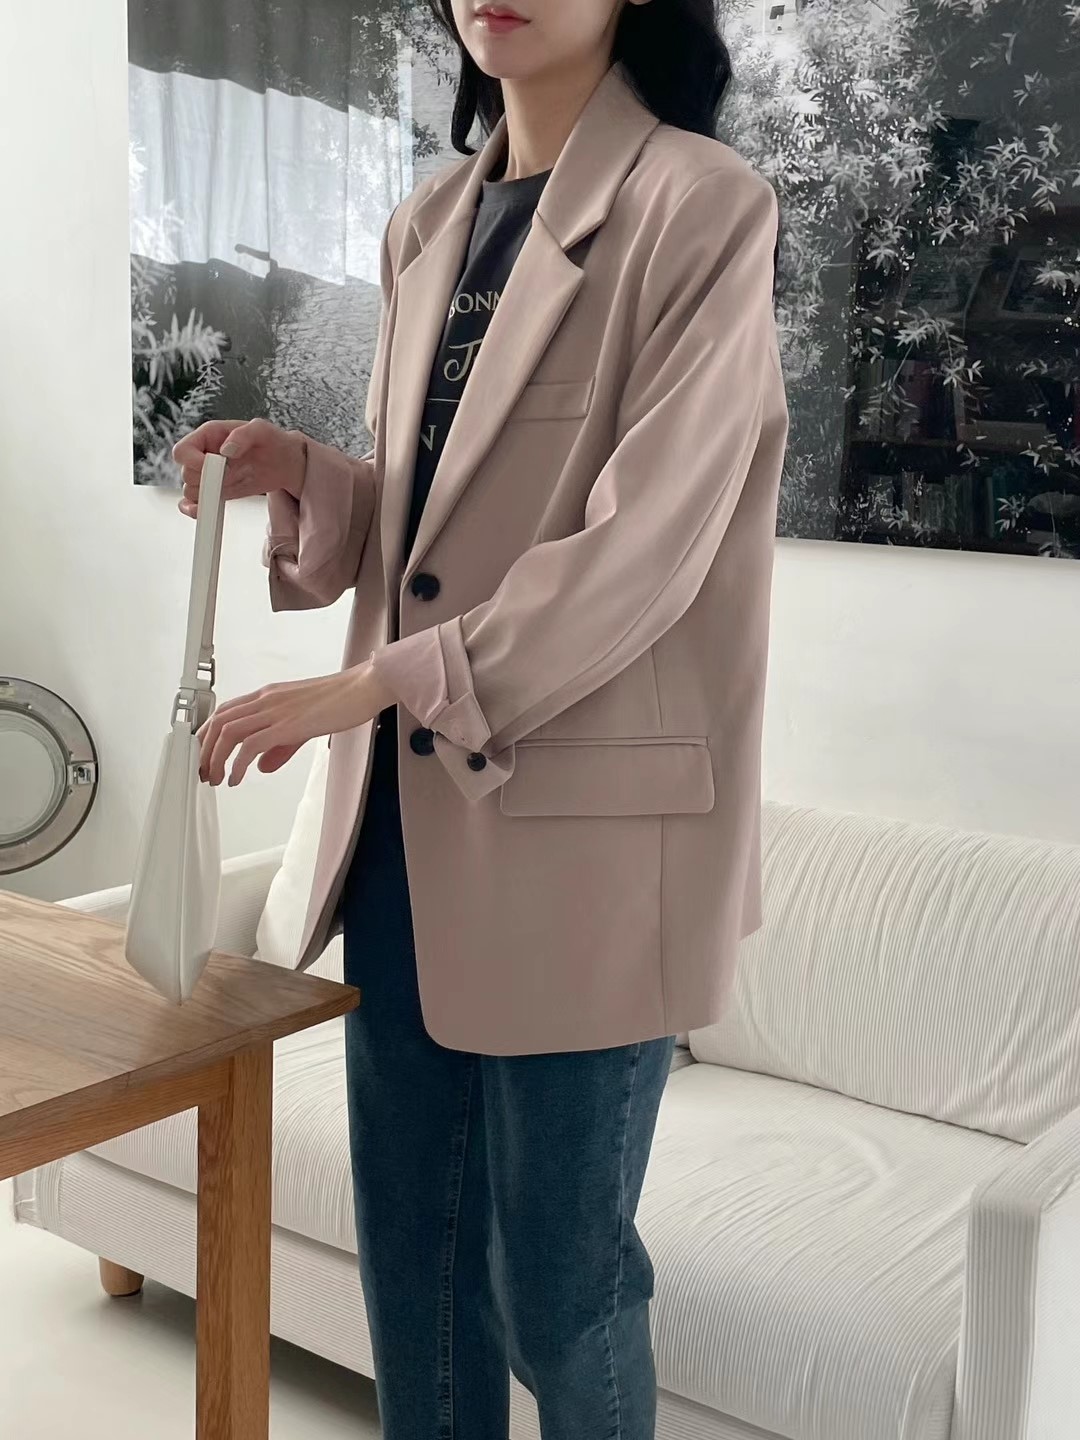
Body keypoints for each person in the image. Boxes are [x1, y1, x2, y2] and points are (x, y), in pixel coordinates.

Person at [175, 1, 787, 1435]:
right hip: (405, 825)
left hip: (587, 843)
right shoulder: (430, 222)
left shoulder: (700, 206)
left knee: (558, 1291)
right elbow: (438, 522)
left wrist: (377, 682)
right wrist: (309, 472)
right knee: (418, 1273)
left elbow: (648, 547)